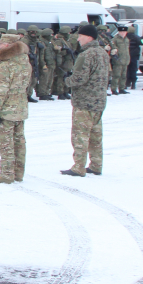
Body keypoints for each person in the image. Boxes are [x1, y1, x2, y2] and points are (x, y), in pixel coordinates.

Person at [62, 24, 109, 177]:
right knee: (96, 136)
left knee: (80, 135)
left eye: (80, 36)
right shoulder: (103, 53)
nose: (78, 39)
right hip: (99, 101)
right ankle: (96, 165)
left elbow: (79, 78)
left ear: (88, 37)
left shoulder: (86, 55)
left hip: (84, 101)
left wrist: (67, 80)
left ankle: (78, 167)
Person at [0, 32, 31, 184]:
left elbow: (0, 90)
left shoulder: (5, 64)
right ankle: (18, 173)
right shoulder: (24, 60)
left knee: (5, 142)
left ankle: (6, 174)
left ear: (8, 45)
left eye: (1, 44)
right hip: (20, 108)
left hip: (7, 109)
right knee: (19, 141)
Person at [110, 25, 130, 95]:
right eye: (121, 31)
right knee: (116, 75)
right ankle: (114, 89)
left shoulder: (127, 39)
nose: (122, 33)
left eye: (124, 32)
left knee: (123, 75)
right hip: (118, 60)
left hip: (125, 60)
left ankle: (122, 88)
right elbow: (112, 47)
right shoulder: (115, 39)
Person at [126, 25, 141, 90]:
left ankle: (127, 83)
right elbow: (140, 43)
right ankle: (133, 84)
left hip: (126, 55)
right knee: (133, 69)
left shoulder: (125, 37)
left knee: (126, 69)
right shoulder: (137, 37)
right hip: (134, 56)